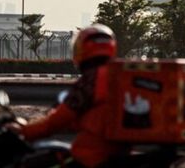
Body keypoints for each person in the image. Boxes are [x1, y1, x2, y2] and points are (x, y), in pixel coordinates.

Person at [9, 24, 128, 168]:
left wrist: (24, 131)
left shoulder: (92, 80)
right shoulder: (124, 76)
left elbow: (56, 121)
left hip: (91, 157)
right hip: (120, 154)